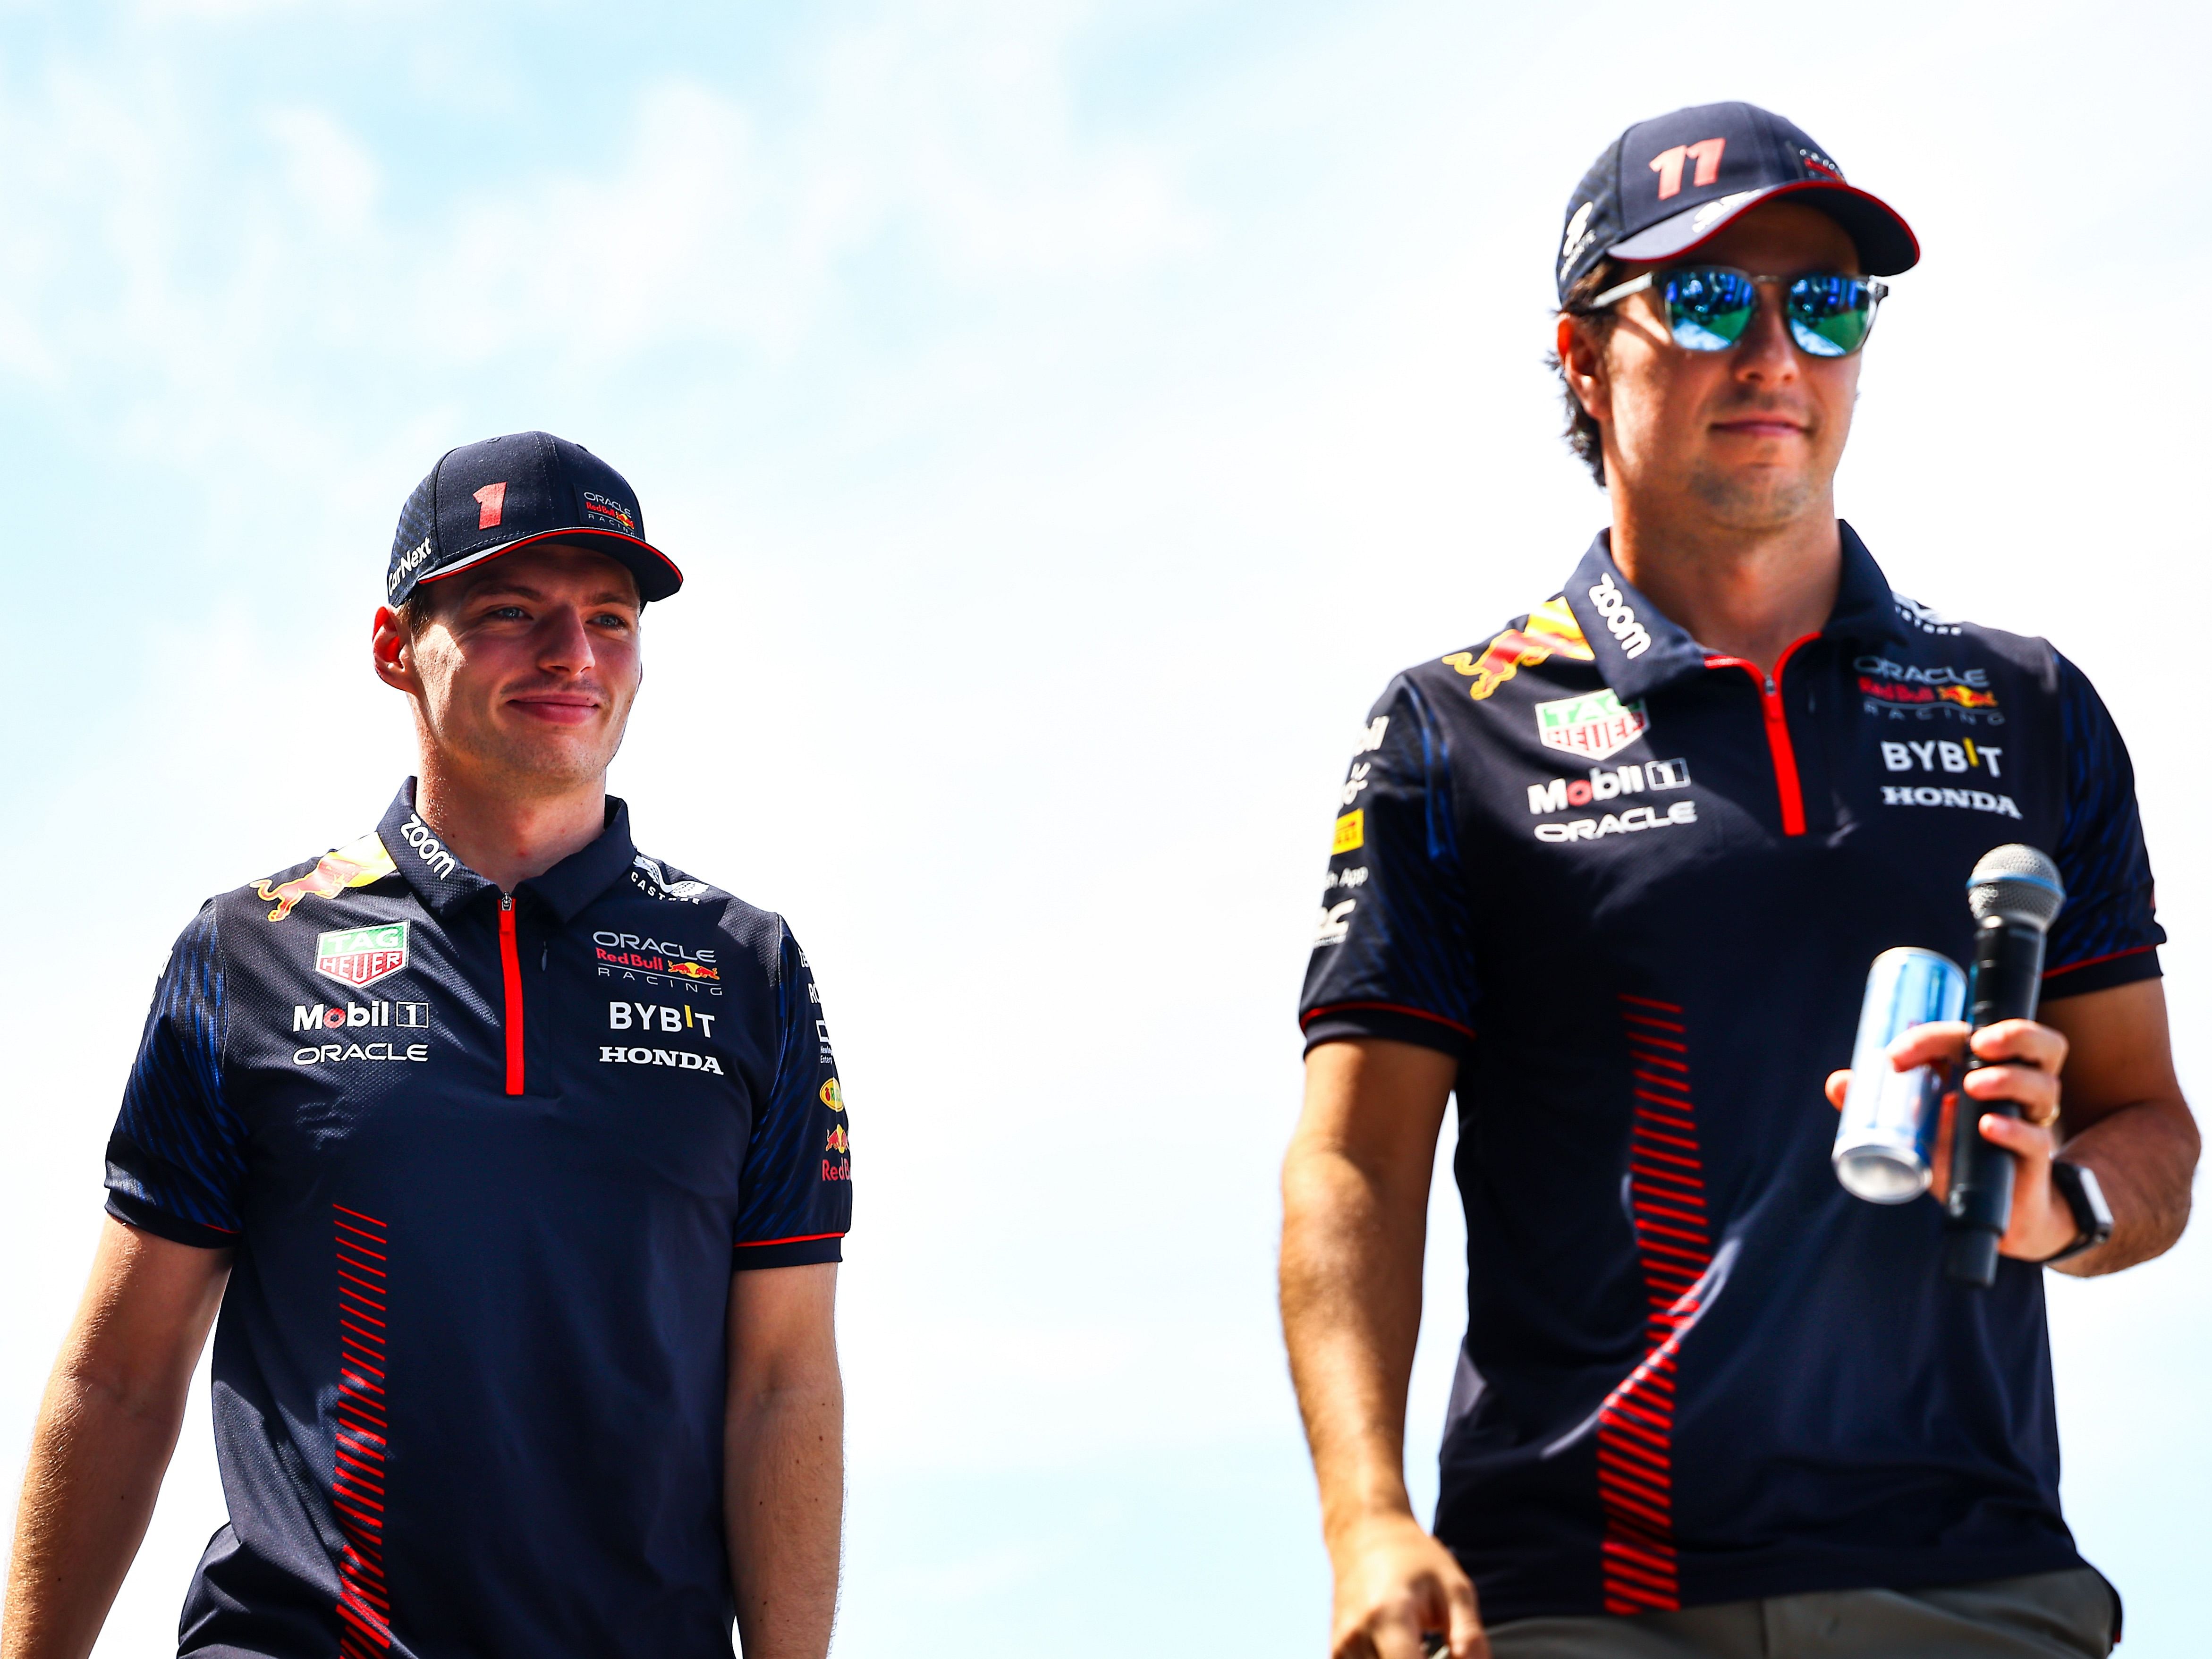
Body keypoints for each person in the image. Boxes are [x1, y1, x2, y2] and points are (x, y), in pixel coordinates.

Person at [1279, 103, 2198, 1659]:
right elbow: (1354, 1161)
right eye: (1707, 299)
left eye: (1827, 306)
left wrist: (2068, 1200)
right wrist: (1367, 1517)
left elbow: (2151, 1122)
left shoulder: (2029, 704)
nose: (1776, 355)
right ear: (1583, 359)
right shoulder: (1453, 726)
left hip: (1969, 1583)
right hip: (1582, 1598)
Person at [3, 432, 851, 1659]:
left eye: (610, 619)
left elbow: (784, 1383)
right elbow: (121, 1377)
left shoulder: (747, 967)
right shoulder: (249, 951)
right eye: (513, 611)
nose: (573, 654)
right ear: (398, 647)